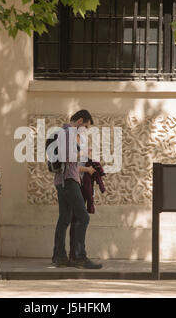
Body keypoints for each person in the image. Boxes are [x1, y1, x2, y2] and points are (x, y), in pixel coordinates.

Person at [52, 109, 102, 269]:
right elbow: (66, 157)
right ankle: (80, 257)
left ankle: (59, 257)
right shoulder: (68, 133)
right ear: (80, 121)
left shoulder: (63, 132)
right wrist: (84, 154)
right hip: (68, 180)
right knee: (83, 217)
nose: (86, 130)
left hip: (62, 181)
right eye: (86, 126)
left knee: (65, 218)